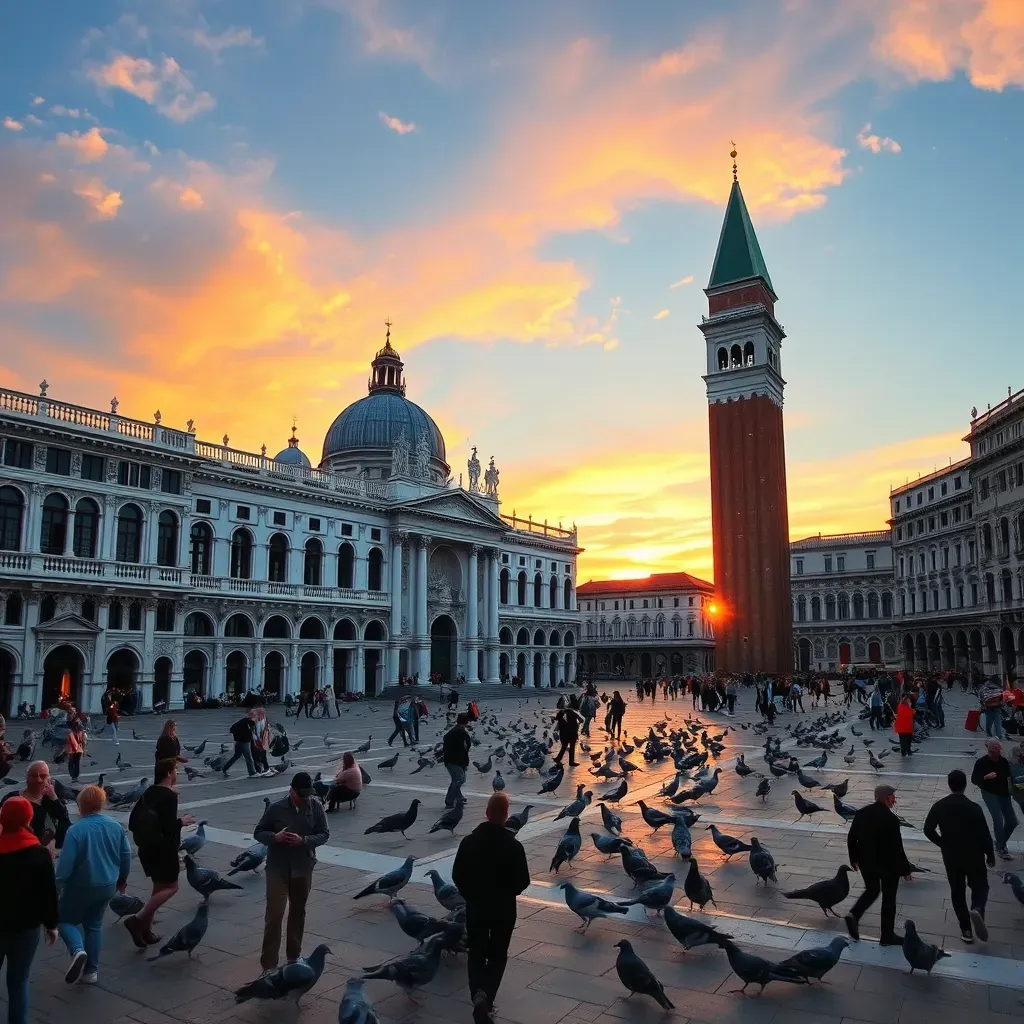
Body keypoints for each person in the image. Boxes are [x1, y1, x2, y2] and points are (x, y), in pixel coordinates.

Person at [452, 793, 531, 1024]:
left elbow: (458, 875)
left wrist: (471, 896)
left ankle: (477, 992)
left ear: (487, 814)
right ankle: (487, 998)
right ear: (506, 816)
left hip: (477, 908)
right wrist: (508, 893)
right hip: (504, 910)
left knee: (476, 952)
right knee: (498, 955)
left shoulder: (468, 842)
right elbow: (523, 881)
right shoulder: (514, 846)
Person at [55, 785, 133, 984]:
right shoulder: (116, 826)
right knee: (94, 925)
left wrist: (55, 890)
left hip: (80, 886)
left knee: (64, 919)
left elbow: (64, 868)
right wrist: (122, 880)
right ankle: (91, 971)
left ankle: (77, 950)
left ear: (80, 806)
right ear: (102, 803)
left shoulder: (75, 831)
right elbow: (126, 856)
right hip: (107, 884)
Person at [253, 772, 329, 972]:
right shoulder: (276, 808)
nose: (305, 798)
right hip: (278, 868)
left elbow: (324, 834)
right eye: (301, 794)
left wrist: (303, 841)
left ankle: (294, 956)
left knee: (298, 912)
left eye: (308, 794)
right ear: (291, 790)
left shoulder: (316, 806)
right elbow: (258, 832)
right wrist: (274, 837)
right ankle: (268, 965)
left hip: (303, 867)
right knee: (275, 914)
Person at [123, 759, 195, 947]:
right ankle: (136, 920)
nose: (176, 774)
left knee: (158, 889)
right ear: (170, 773)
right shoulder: (169, 796)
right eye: (175, 771)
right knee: (172, 887)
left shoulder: (150, 791)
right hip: (164, 849)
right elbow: (169, 827)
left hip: (147, 847)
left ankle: (145, 931)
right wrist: (182, 821)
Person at [0, 796, 58, 1024]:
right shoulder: (39, 853)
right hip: (27, 928)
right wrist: (51, 925)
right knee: (19, 981)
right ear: (28, 818)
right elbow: (48, 894)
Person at [923, 769, 994, 943]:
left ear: (949, 784)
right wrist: (990, 855)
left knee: (957, 891)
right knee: (980, 887)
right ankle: (977, 908)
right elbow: (984, 835)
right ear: (965, 784)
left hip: (951, 855)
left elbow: (928, 830)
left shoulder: (939, 806)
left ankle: (966, 930)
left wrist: (942, 843)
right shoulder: (974, 807)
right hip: (974, 854)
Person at [845, 784, 912, 945]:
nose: (894, 799)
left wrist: (854, 858)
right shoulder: (891, 819)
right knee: (889, 898)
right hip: (888, 865)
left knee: (872, 890)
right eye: (892, 796)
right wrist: (905, 869)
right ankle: (887, 935)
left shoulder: (861, 813)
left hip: (866, 862)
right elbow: (897, 848)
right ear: (886, 797)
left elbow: (852, 837)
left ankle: (854, 914)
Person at [0, 760, 70, 850]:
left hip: (44, 851)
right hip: (16, 849)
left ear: (49, 779)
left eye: (43, 776)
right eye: (34, 776)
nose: (38, 780)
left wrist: (54, 797)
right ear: (27, 777)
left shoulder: (51, 799)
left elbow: (64, 820)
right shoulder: (12, 798)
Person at [972, 740, 1017, 859]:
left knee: (1013, 821)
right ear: (989, 751)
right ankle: (1001, 848)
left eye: (998, 750)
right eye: (994, 751)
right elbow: (974, 779)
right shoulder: (982, 762)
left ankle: (1000, 842)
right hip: (989, 792)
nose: (997, 753)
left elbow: (1009, 776)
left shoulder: (1004, 762)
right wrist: (985, 777)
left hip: (1003, 793)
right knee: (998, 819)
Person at [443, 714, 472, 808]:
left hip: (450, 759)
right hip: (456, 760)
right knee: (460, 779)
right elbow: (464, 748)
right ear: (466, 722)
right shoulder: (461, 733)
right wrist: (466, 761)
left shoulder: (453, 731)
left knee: (456, 779)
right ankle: (449, 800)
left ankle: (459, 797)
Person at [223, 713, 258, 778]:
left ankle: (225, 768)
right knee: (248, 758)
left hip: (239, 741)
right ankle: (252, 772)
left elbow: (233, 728)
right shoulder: (249, 722)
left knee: (236, 756)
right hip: (244, 742)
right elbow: (251, 732)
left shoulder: (243, 721)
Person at [65, 718, 86, 782]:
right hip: (79, 750)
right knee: (77, 764)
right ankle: (76, 777)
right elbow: (84, 742)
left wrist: (68, 751)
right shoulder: (82, 732)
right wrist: (84, 750)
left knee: (71, 764)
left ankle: (73, 777)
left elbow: (69, 742)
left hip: (72, 750)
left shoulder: (70, 733)